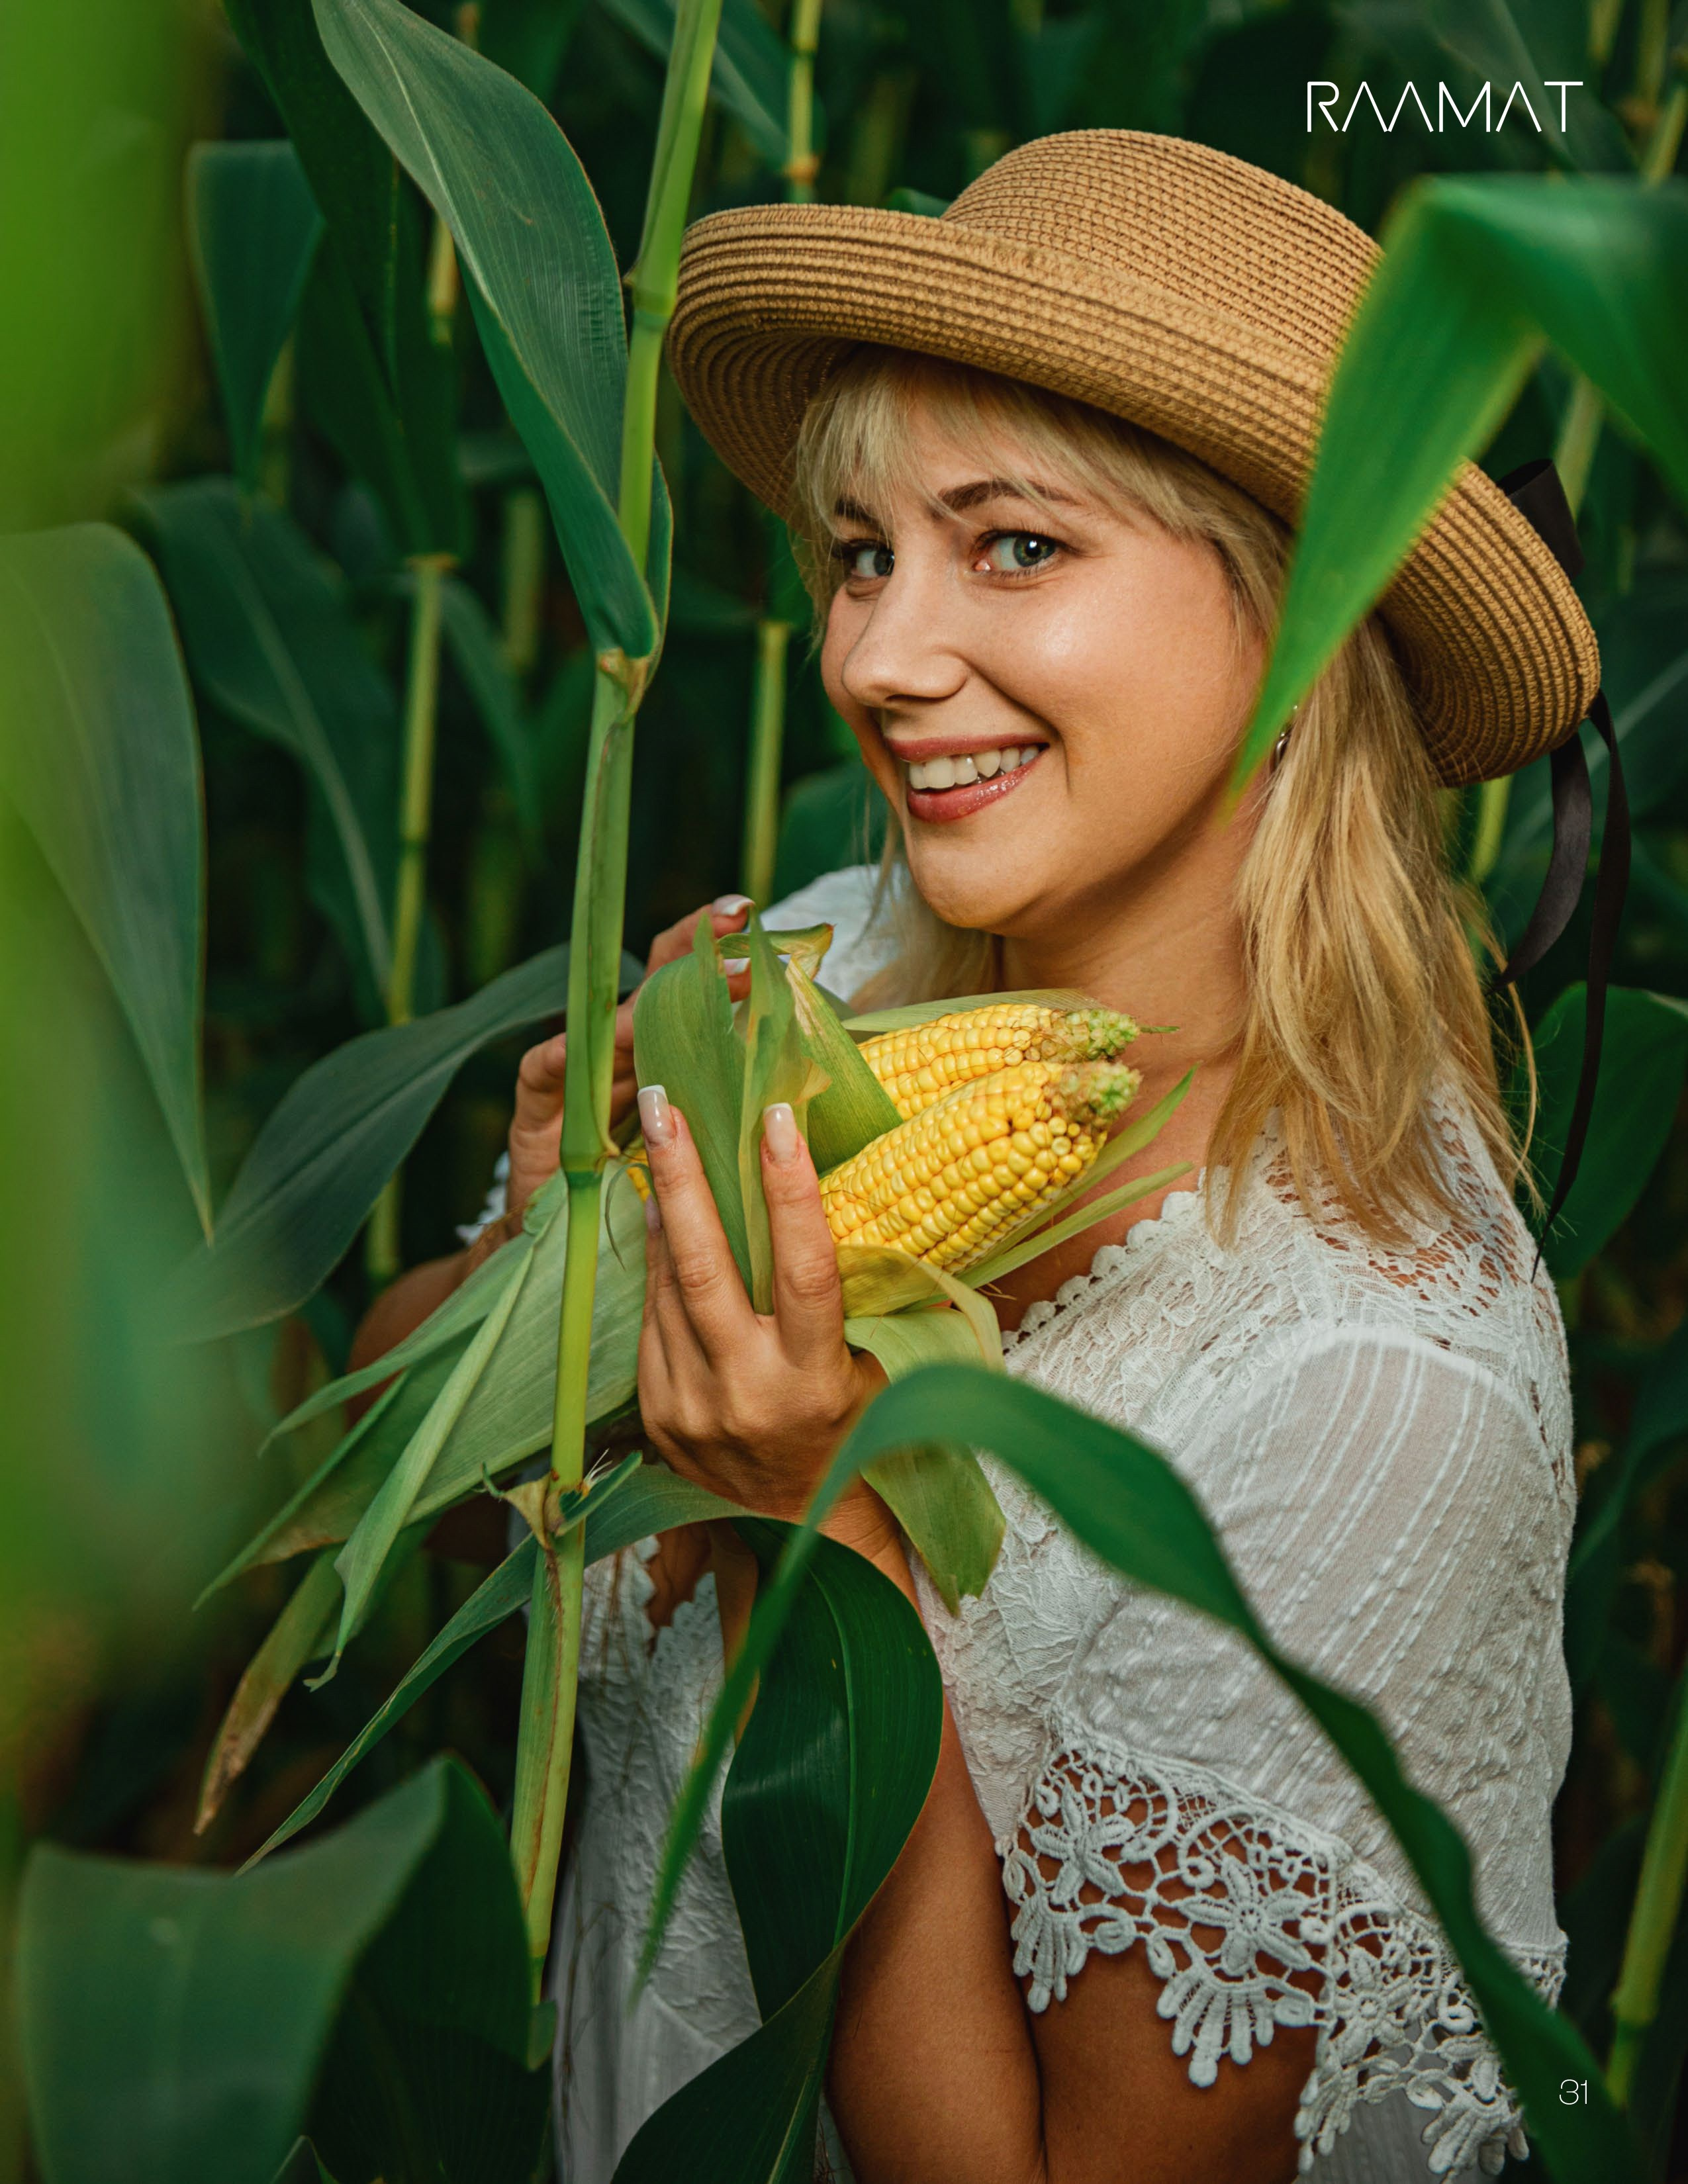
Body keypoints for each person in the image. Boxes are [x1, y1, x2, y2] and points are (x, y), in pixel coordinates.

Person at [354, 132, 1595, 2182]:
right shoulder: (827, 955)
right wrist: (556, 1261)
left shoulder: (1378, 1387)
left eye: (1012, 545)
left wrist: (822, 1546)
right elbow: (411, 1463)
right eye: (861, 555)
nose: (874, 657)